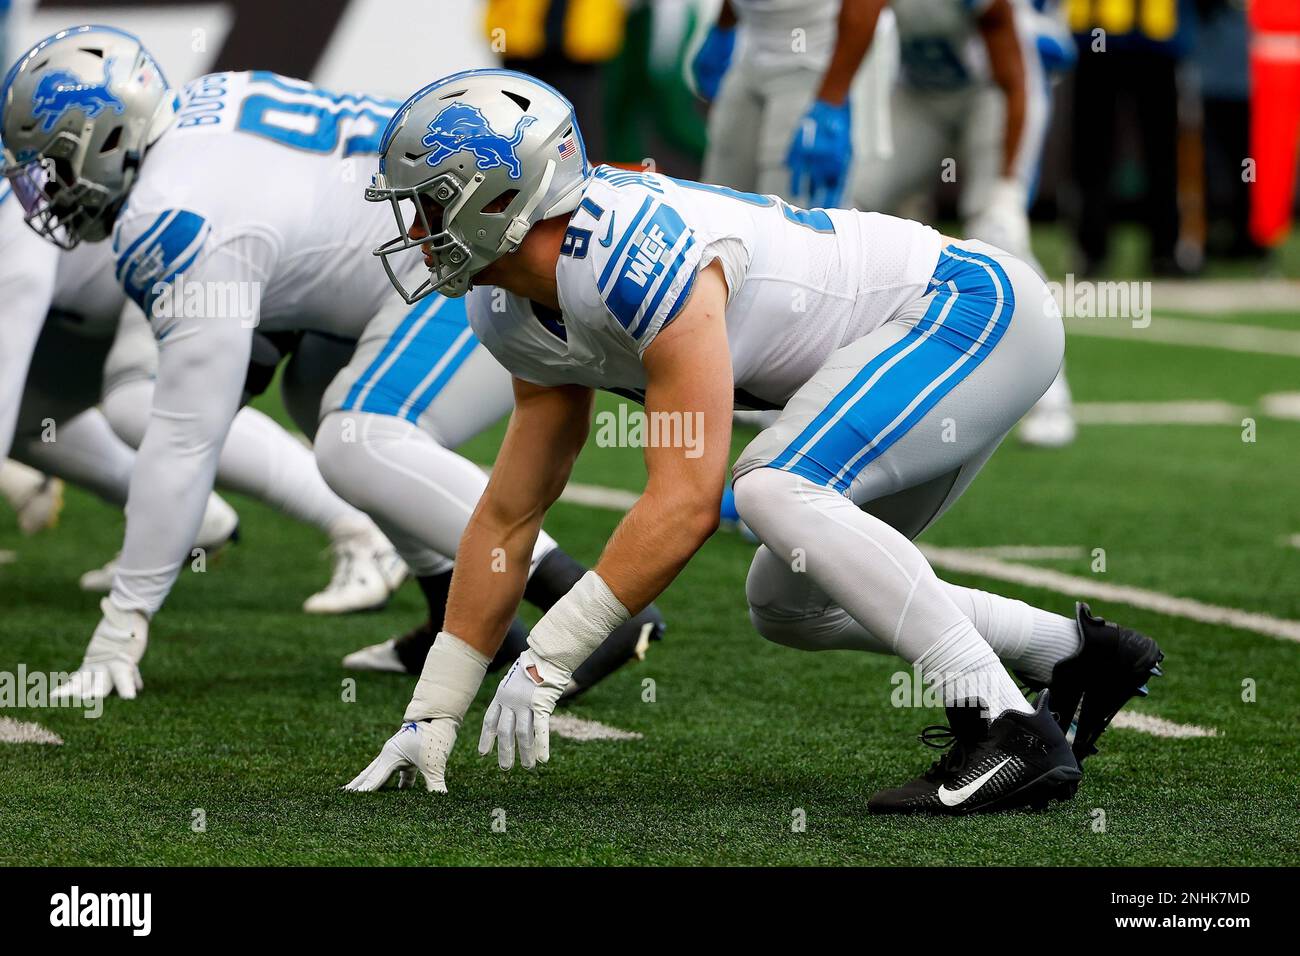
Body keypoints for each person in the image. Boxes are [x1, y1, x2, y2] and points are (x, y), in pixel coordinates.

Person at [345, 69, 1163, 812]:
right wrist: (437, 707)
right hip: (929, 344)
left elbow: (685, 503)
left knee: (769, 487)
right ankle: (1075, 655)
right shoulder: (505, 309)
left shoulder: (631, 256)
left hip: (969, 308)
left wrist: (548, 655)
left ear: (500, 196)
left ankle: (1008, 729)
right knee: (788, 603)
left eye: (429, 203)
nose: (416, 231)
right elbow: (510, 515)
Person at [1, 26, 661, 701]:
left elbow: (185, 437)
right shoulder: (198, 113)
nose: (44, 193)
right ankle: (453, 612)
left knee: (356, 436)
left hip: (475, 257)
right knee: (317, 399)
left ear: (108, 141)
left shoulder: (169, 213)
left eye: (52, 164)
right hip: (423, 258)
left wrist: (123, 623)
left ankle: (590, 607)